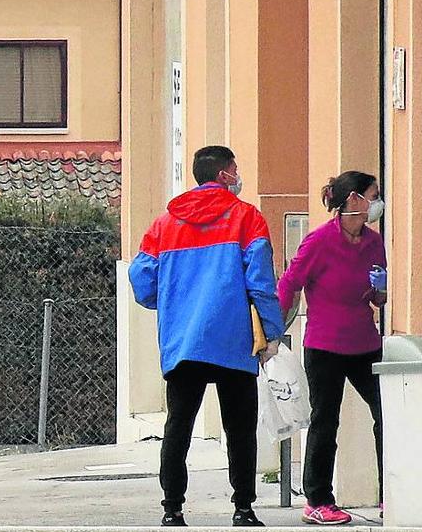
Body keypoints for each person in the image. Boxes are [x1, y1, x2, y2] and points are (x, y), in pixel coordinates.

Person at [129, 145, 285, 528]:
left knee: (178, 426)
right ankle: (243, 509)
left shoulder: (164, 224)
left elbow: (141, 281)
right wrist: (273, 332)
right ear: (225, 174)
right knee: (239, 428)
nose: (238, 175)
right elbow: (261, 282)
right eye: (236, 168)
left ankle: (172, 508)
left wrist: (171, 303)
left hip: (183, 341)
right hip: (234, 340)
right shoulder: (247, 218)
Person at [277, 171, 387, 526]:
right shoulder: (318, 241)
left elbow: (377, 297)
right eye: (374, 195)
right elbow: (290, 283)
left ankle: (393, 493)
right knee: (326, 420)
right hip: (325, 345)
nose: (377, 203)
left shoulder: (373, 242)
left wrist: (380, 290)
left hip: (364, 342)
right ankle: (318, 499)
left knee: (387, 416)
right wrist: (273, 330)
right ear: (354, 200)